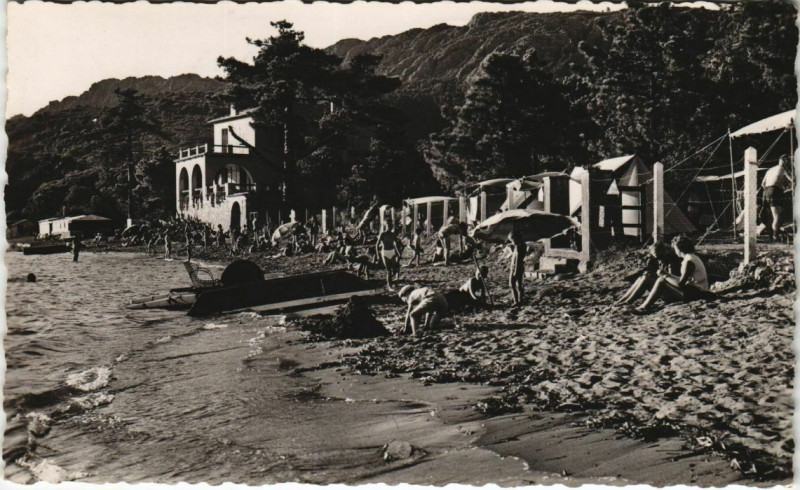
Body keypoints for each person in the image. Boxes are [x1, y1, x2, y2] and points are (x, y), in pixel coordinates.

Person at [636, 235, 709, 312]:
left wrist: (665, 275)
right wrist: (666, 274)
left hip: (697, 293)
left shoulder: (688, 261)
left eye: (675, 248)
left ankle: (644, 306)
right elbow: (683, 281)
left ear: (679, 248)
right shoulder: (692, 257)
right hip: (697, 290)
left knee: (661, 280)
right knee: (662, 278)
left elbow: (681, 284)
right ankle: (639, 304)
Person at [616, 240, 681, 305]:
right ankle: (623, 299)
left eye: (660, 257)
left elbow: (673, 283)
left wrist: (660, 275)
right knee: (642, 277)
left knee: (646, 279)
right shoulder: (663, 261)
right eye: (657, 258)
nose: (659, 261)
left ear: (665, 253)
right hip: (666, 289)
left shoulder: (672, 264)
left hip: (674, 294)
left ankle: (628, 301)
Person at [761, 155, 792, 241]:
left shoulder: (770, 169)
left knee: (770, 215)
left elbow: (762, 184)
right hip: (774, 191)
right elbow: (792, 181)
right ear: (785, 161)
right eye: (788, 161)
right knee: (777, 216)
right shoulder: (783, 169)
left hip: (766, 191)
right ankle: (775, 236)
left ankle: (771, 235)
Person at [376, 224, 401, 289]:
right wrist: (378, 255)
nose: (390, 227)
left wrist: (398, 253)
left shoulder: (393, 234)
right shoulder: (383, 234)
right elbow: (377, 245)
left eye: (391, 226)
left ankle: (391, 281)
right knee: (389, 270)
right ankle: (389, 286)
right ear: (386, 226)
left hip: (392, 252)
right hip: (385, 252)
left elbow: (395, 244)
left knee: (395, 269)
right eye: (389, 225)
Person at [507, 230, 526, 306]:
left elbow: (517, 260)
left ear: (516, 238)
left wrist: (515, 271)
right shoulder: (522, 245)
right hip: (520, 267)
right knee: (519, 284)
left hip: (515, 268)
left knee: (512, 284)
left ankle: (516, 301)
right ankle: (520, 300)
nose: (512, 242)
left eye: (512, 240)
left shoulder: (518, 248)